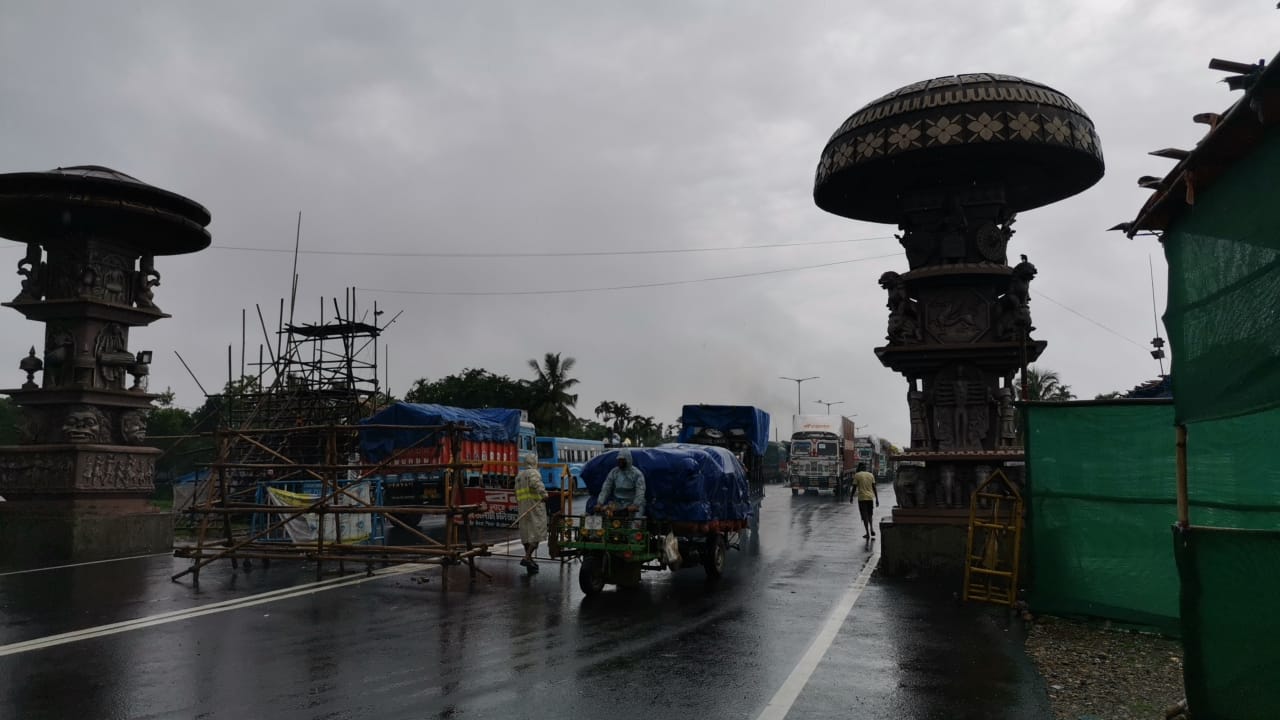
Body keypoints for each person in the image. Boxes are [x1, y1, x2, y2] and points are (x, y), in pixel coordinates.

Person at [513, 451, 548, 572]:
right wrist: (544, 494)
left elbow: (516, 492)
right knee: (537, 532)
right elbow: (535, 484)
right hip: (535, 506)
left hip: (523, 506)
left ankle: (530, 559)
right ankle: (527, 557)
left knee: (526, 534)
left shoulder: (519, 475)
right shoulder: (533, 473)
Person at [596, 448, 646, 517]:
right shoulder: (614, 472)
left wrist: (635, 505)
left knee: (636, 521)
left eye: (622, 460)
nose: (620, 462)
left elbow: (640, 491)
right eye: (619, 460)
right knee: (603, 516)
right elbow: (606, 488)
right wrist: (600, 503)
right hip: (617, 503)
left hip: (632, 504)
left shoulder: (637, 474)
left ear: (628, 460)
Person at [851, 462, 879, 539]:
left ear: (859, 468)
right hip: (870, 498)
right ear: (865, 468)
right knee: (870, 515)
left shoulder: (857, 475)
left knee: (864, 516)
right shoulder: (871, 475)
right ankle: (872, 528)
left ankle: (867, 533)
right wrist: (877, 499)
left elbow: (854, 487)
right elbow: (874, 487)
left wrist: (851, 497)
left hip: (862, 498)